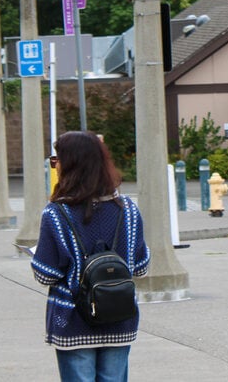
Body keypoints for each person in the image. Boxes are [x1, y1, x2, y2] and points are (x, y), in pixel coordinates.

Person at [31, 131, 150, 382]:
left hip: (73, 318)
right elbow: (140, 267)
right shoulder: (128, 209)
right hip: (119, 314)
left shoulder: (56, 213)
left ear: (71, 164)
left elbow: (46, 273)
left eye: (57, 159)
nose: (56, 165)